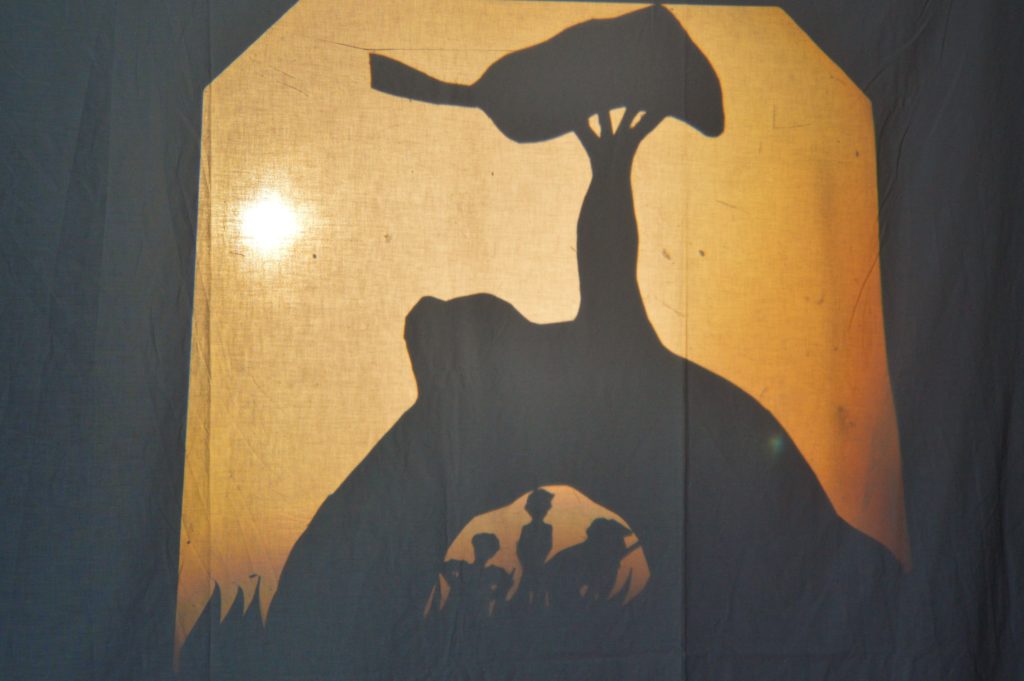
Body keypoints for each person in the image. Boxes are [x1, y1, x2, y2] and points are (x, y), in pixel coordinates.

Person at [442, 533, 512, 619]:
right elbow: (442, 567)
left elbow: (506, 586)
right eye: (479, 547)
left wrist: (491, 595)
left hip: (477, 616)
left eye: (486, 549)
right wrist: (455, 583)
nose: (481, 551)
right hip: (460, 613)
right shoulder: (463, 566)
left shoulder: (494, 572)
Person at [514, 489, 554, 610]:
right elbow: (521, 549)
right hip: (530, 566)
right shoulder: (526, 528)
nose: (546, 511)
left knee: (537, 594)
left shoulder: (547, 528)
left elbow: (546, 547)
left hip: (536, 566)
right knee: (526, 594)